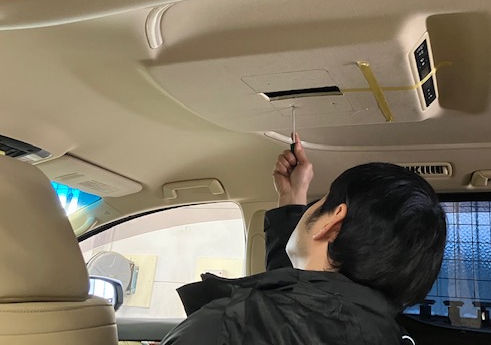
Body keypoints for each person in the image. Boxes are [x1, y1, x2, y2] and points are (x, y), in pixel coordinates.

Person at [161, 135, 446, 344]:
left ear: (333, 223)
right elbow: (301, 299)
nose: (311, 207)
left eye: (320, 201)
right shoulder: (389, 335)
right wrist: (292, 196)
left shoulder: (227, 328)